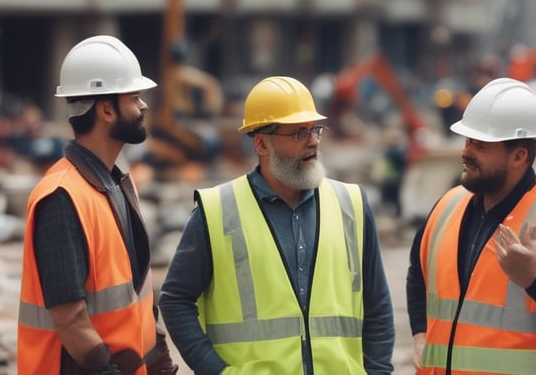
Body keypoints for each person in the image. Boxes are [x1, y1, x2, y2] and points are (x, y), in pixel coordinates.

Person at [159, 75, 396, 374]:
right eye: (298, 133)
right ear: (261, 143)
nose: (313, 141)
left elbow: (377, 307)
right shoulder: (217, 210)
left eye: (315, 129)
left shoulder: (351, 204)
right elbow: (175, 300)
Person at [406, 77, 536, 375]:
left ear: (519, 155)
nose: (466, 152)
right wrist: (420, 329)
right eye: (467, 140)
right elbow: (419, 273)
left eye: (480, 145)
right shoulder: (447, 206)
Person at [17, 35, 178, 375]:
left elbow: (137, 298)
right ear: (106, 109)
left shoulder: (116, 181)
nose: (143, 106)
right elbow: (71, 319)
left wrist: (160, 363)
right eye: (134, 97)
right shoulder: (61, 196)